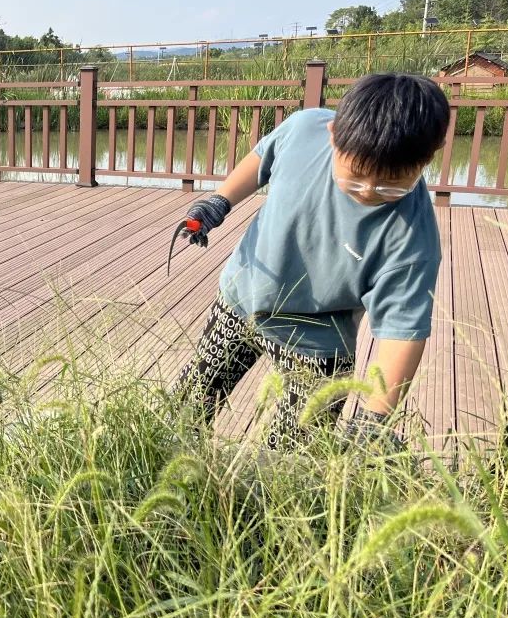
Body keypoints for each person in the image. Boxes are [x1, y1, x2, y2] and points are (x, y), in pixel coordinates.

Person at [170, 73, 449, 449]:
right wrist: (219, 201)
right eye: (356, 177)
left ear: (430, 155)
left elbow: (402, 332)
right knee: (187, 407)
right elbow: (261, 157)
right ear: (332, 135)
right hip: (243, 297)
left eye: (391, 185)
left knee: (291, 458)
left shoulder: (413, 238)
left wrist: (376, 418)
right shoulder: (304, 129)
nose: (369, 191)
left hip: (318, 341)